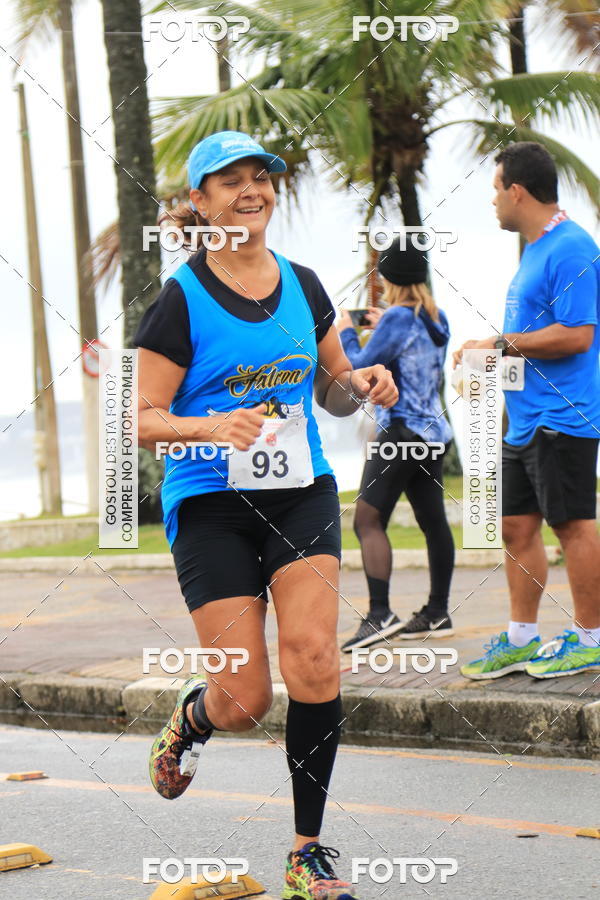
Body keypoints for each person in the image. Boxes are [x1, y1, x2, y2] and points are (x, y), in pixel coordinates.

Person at [134, 130, 398, 899]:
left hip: (300, 491)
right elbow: (141, 419)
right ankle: (195, 715)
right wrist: (212, 425)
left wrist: (366, 382)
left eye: (261, 178)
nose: (251, 191)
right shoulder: (180, 300)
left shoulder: (306, 285)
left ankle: (306, 851)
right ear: (200, 203)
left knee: (314, 656)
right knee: (245, 700)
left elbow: (334, 385)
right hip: (211, 504)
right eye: (230, 182)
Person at [455, 141, 600, 680]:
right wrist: (485, 357)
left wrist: (496, 345)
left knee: (573, 527)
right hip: (525, 417)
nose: (493, 201)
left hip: (564, 416)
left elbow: (577, 336)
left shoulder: (571, 247)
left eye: (495, 189)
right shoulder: (536, 248)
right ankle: (521, 637)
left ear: (516, 190)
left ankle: (591, 638)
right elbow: (526, 337)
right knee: (516, 526)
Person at [337, 237, 455, 652]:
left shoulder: (396, 320)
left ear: (386, 276)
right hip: (433, 436)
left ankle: (380, 614)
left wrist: (347, 334)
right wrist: (383, 321)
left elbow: (359, 369)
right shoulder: (435, 319)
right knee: (433, 521)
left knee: (366, 521)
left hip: (400, 432)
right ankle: (438, 611)